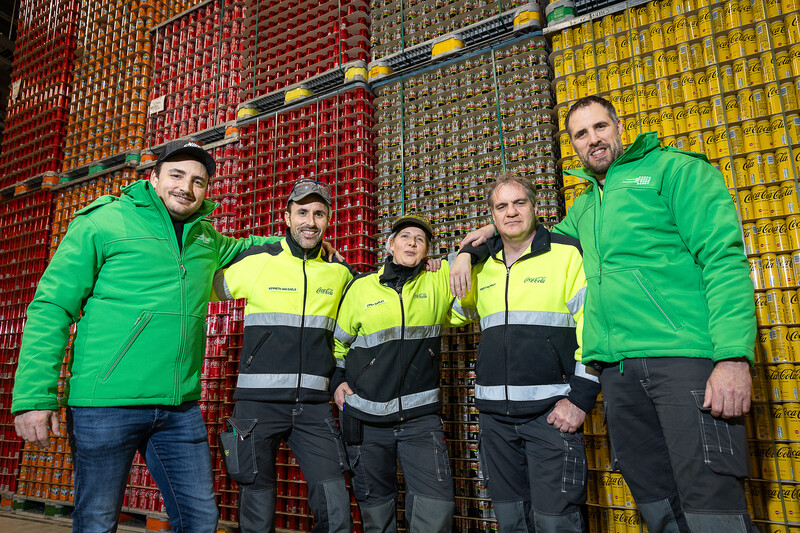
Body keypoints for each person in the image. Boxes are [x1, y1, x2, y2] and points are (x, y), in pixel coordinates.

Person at [459, 95, 757, 532]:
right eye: (581, 134)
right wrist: (473, 246)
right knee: (653, 495)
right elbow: (529, 238)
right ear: (574, 146)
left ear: (618, 125)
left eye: (599, 127)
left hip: (683, 362)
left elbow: (724, 259)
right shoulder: (585, 207)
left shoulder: (674, 171)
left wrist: (732, 356)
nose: (592, 139)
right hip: (618, 374)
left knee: (709, 499)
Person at [11, 140, 284, 533]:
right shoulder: (103, 222)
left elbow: (246, 248)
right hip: (105, 405)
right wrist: (34, 397)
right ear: (153, 177)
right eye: (176, 175)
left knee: (200, 521)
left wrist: (307, 246)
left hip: (178, 409)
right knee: (97, 521)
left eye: (198, 181)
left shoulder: (204, 237)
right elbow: (51, 306)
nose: (186, 188)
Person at [453, 173, 597, 532]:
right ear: (492, 216)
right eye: (502, 206)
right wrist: (458, 257)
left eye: (519, 203)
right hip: (494, 421)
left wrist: (580, 399)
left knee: (556, 521)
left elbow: (594, 329)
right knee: (511, 520)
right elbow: (452, 309)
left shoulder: (567, 253)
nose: (511, 212)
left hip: (550, 415)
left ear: (535, 207)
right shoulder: (482, 266)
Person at [212, 179, 354, 533]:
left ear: (328, 219)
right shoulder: (260, 261)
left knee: (336, 507)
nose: (311, 221)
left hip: (314, 406)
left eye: (319, 213)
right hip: (257, 406)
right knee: (256, 514)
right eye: (302, 212)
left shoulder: (340, 273)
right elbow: (206, 287)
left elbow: (355, 325)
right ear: (287, 217)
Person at [331, 214, 470, 533]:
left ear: (427, 252)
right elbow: (337, 344)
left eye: (420, 239)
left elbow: (488, 247)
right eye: (405, 236)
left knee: (437, 510)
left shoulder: (438, 280)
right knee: (376, 515)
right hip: (366, 419)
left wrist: (460, 256)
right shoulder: (361, 288)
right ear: (390, 244)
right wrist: (337, 381)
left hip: (421, 421)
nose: (412, 242)